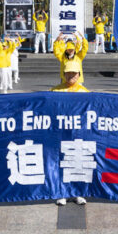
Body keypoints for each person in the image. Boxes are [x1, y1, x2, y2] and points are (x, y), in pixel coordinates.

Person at [51, 60, 88, 206]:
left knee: (77, 162)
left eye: (74, 73)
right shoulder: (55, 91)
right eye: (68, 73)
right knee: (61, 162)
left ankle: (78, 192)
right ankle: (62, 193)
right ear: (63, 74)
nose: (71, 76)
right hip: (61, 133)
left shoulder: (85, 93)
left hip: (78, 134)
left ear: (79, 75)